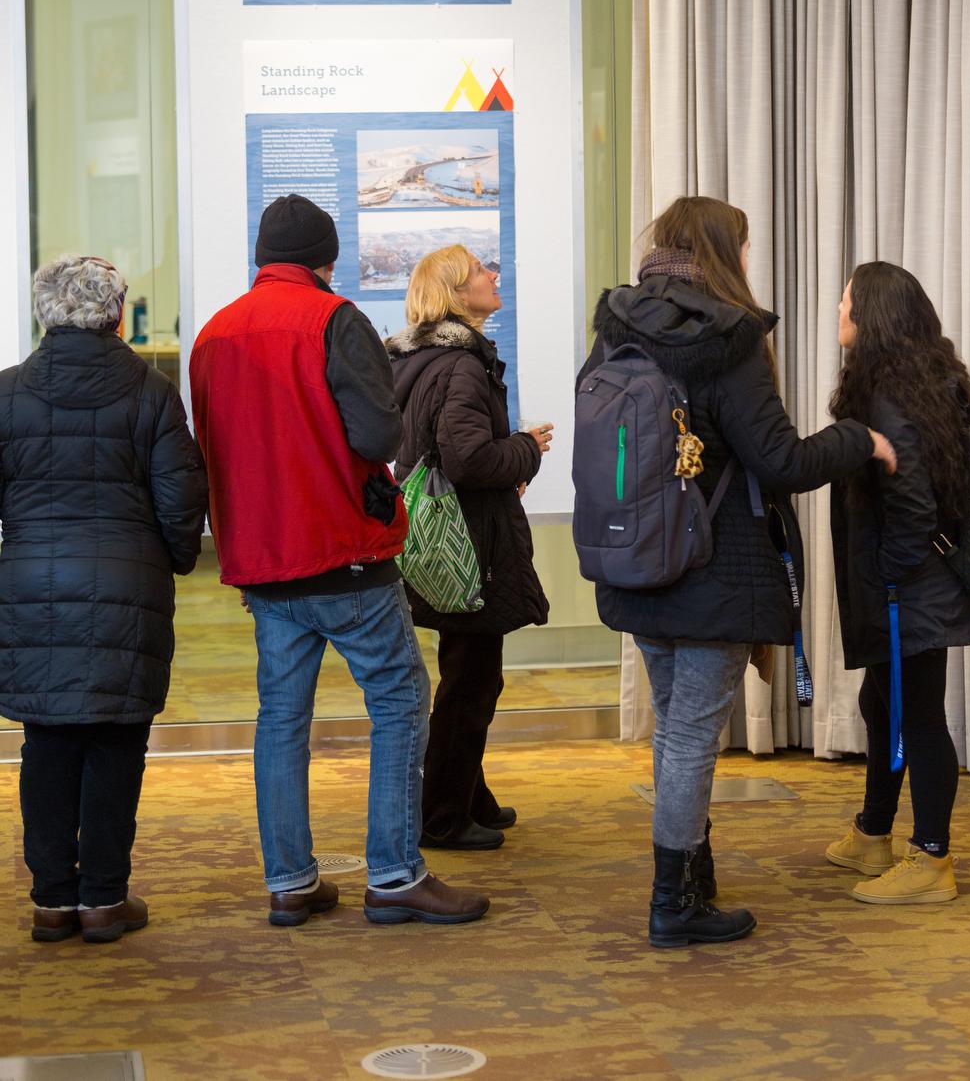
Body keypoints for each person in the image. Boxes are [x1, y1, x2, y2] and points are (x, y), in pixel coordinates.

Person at [580, 197, 897, 949]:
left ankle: (692, 874)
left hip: (634, 560)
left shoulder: (616, 327)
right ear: (725, 251)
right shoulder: (729, 338)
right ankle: (673, 903)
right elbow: (781, 461)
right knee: (692, 735)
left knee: (674, 729)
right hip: (713, 568)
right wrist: (860, 439)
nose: (750, 260)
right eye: (746, 247)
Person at [189, 195, 488, 927]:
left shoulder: (213, 334)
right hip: (341, 550)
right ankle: (394, 874)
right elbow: (378, 437)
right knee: (399, 701)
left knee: (281, 719)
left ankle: (290, 880)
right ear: (326, 259)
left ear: (263, 257)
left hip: (263, 560)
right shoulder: (335, 319)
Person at [0, 254, 207, 944]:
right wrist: (175, 560)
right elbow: (181, 497)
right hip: (126, 583)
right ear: (118, 314)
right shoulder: (151, 391)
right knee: (118, 742)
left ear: (44, 314)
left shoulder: (7, 393)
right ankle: (104, 899)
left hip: (31, 588)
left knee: (45, 743)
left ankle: (52, 901)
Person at [825, 263, 970, 905]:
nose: (839, 311)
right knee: (881, 704)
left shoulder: (891, 396)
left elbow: (914, 505)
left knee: (917, 717)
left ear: (872, 315)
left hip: (910, 587)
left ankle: (932, 860)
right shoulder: (921, 382)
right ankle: (873, 833)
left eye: (847, 301)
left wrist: (890, 577)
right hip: (916, 582)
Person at [386, 245, 551, 850]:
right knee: (471, 684)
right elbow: (470, 460)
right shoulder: (461, 366)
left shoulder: (419, 360)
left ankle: (467, 795)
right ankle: (443, 816)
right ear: (457, 295)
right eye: (481, 271)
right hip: (470, 542)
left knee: (468, 672)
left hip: (443, 535)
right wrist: (526, 448)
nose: (492, 275)